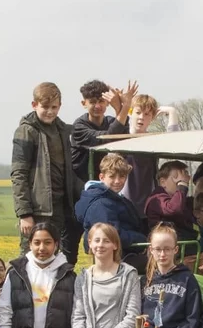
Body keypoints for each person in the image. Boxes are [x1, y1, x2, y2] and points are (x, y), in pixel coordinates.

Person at [67, 79, 133, 265]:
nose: (97, 106)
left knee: (106, 236)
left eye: (102, 101)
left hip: (106, 189)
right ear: (84, 103)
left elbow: (123, 138)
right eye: (92, 102)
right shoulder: (79, 127)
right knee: (70, 244)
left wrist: (120, 108)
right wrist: (123, 107)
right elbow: (107, 139)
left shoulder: (111, 121)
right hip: (80, 192)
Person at [12, 81, 81, 255]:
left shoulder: (63, 130)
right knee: (30, 257)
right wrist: (24, 213)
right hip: (37, 209)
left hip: (59, 207)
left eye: (54, 107)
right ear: (34, 105)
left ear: (60, 106)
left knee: (55, 256)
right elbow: (19, 174)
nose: (50, 111)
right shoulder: (26, 131)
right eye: (45, 107)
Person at [73, 153, 147, 254]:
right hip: (115, 256)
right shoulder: (101, 205)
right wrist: (142, 239)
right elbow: (111, 235)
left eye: (122, 176)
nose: (117, 181)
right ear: (102, 177)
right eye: (112, 176)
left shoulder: (114, 197)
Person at [118, 90, 180, 207]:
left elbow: (173, 143)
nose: (141, 117)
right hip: (124, 200)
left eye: (147, 114)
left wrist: (172, 112)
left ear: (152, 117)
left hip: (147, 201)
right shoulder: (121, 137)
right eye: (138, 112)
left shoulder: (152, 140)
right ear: (130, 113)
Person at [143, 160, 196, 239]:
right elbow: (174, 209)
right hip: (165, 243)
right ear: (163, 182)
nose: (183, 181)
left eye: (184, 177)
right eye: (176, 177)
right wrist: (182, 185)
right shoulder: (156, 200)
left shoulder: (181, 200)